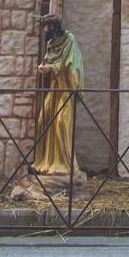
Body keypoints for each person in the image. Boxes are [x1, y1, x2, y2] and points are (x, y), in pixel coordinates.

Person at [30, 14, 82, 176]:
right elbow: (51, 62)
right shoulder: (51, 43)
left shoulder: (69, 39)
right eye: (45, 28)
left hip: (65, 89)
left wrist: (51, 68)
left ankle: (64, 165)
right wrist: (44, 68)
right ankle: (45, 162)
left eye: (48, 27)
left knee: (60, 123)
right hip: (54, 88)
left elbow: (69, 64)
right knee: (42, 120)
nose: (46, 31)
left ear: (55, 27)